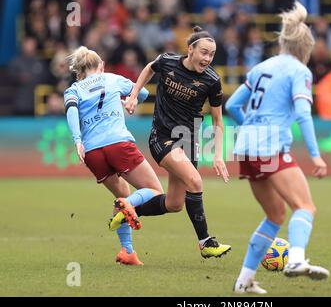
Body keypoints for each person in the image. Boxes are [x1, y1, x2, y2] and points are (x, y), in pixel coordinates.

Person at [225, 2, 329, 294]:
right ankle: (296, 260)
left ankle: (244, 281)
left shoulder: (261, 67)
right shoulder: (299, 71)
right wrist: (316, 155)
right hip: (269, 145)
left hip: (246, 147)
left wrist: (250, 127)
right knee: (305, 206)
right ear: (305, 48)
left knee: (275, 216)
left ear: (283, 42)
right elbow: (303, 114)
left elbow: (232, 105)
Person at [115, 26, 231, 259]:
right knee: (195, 181)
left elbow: (217, 120)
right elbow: (149, 68)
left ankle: (128, 211)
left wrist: (218, 155)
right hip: (163, 137)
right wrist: (134, 95)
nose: (207, 59)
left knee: (174, 203)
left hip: (188, 141)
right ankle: (206, 242)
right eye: (204, 52)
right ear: (190, 50)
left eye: (212, 54)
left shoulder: (212, 80)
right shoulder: (167, 62)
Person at [64, 46, 164, 265]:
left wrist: (77, 140)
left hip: (92, 152)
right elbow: (144, 93)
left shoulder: (73, 89)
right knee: (155, 190)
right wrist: (130, 99)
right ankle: (129, 205)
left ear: (80, 72)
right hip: (117, 143)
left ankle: (127, 251)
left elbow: (71, 111)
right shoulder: (112, 79)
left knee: (121, 198)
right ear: (101, 66)